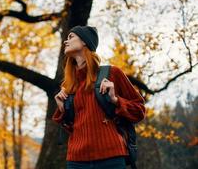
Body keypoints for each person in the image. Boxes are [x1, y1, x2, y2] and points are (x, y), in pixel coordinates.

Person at [52, 25, 146, 169]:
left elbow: (139, 110)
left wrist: (115, 100)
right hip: (76, 161)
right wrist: (62, 109)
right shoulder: (68, 85)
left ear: (84, 41)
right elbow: (72, 128)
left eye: (71, 37)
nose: (66, 41)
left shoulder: (112, 73)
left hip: (111, 158)